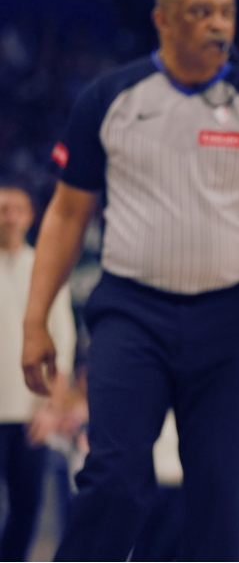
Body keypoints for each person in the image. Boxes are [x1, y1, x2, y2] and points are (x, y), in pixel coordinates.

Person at [21, 0, 239, 561]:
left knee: (219, 494)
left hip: (229, 318)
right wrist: (35, 321)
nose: (218, 24)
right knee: (115, 481)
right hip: (131, 313)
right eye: (201, 12)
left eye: (226, 12)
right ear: (162, 19)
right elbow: (64, 215)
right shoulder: (110, 98)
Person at [0, 184, 76, 561]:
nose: (9, 217)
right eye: (2, 209)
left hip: (30, 413)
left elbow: (63, 342)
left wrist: (52, 408)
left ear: (31, 216)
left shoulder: (45, 267)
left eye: (17, 209)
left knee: (26, 507)